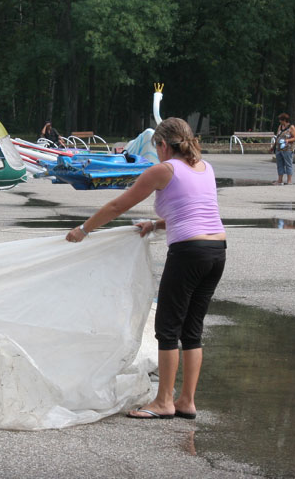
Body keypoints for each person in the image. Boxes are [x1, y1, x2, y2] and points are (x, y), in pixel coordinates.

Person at [65, 117, 226, 420]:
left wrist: (83, 229)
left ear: (163, 145)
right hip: (216, 251)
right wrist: (155, 224)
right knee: (192, 330)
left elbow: (117, 206)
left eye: (157, 148)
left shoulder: (163, 170)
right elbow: (194, 209)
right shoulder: (205, 168)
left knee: (167, 328)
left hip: (189, 253)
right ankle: (186, 401)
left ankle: (164, 401)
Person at [271, 113, 295, 185]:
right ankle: (280, 180)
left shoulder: (291, 127)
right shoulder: (280, 126)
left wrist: (288, 140)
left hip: (288, 149)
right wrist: (273, 147)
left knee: (288, 164)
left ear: (285, 120)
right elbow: (277, 136)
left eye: (281, 120)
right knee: (280, 164)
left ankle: (289, 180)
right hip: (279, 149)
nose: (280, 121)